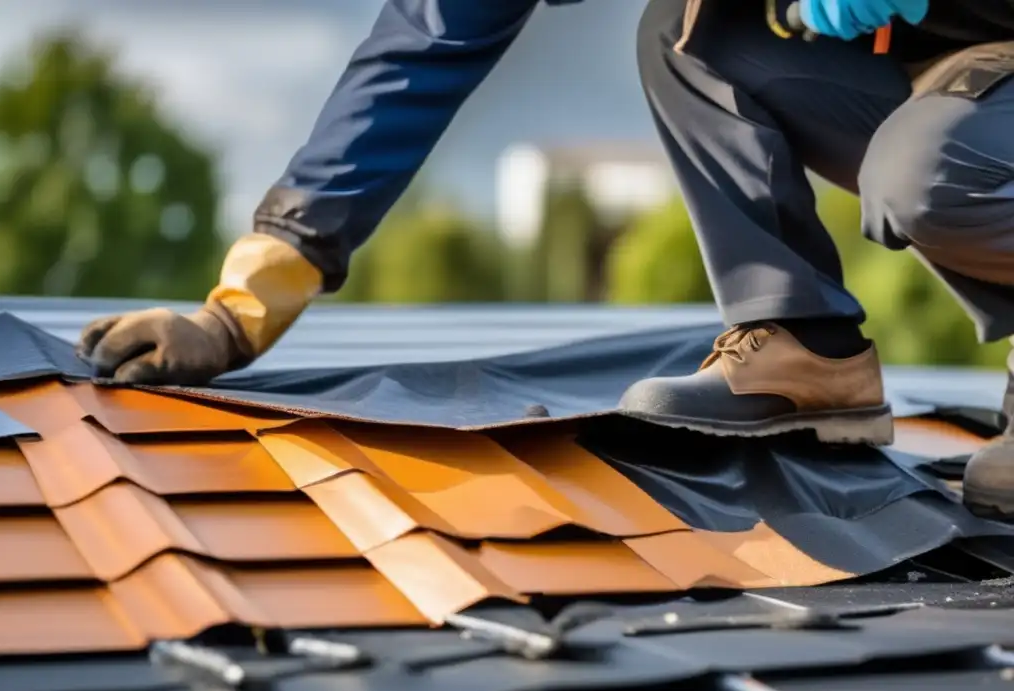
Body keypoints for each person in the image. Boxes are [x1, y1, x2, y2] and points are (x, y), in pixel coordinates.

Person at [77, 0, 1014, 517]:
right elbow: (426, 41)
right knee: (691, 38)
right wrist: (245, 300)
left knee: (927, 175)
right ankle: (807, 351)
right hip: (957, 72)